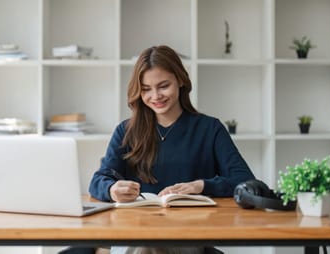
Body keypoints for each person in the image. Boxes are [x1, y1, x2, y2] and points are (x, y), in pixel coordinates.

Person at [88, 45, 255, 254]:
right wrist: (112, 189)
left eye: (163, 85)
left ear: (180, 80)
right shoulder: (126, 130)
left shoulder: (209, 128)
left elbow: (246, 182)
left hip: (188, 234)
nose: (155, 96)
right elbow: (98, 180)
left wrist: (200, 185)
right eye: (146, 89)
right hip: (136, 230)